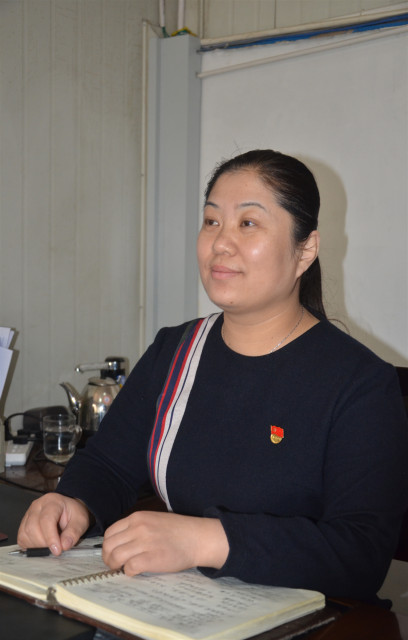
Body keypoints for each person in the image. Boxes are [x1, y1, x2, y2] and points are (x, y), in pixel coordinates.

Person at [17, 149, 408, 605]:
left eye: (248, 223)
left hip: (309, 620)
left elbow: (360, 555)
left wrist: (206, 541)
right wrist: (72, 503)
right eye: (211, 221)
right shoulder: (175, 351)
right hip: (179, 605)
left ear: (305, 250)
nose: (221, 242)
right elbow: (109, 464)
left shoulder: (360, 384)